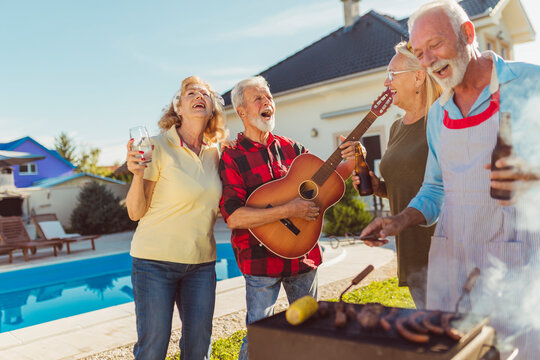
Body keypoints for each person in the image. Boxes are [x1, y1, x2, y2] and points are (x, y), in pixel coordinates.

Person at [360, 1, 540, 357]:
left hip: (513, 257)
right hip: (452, 260)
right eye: (419, 52)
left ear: (467, 34)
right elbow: (436, 187)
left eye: (436, 45)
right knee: (452, 351)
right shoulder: (439, 114)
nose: (428, 61)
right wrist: (401, 219)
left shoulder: (530, 83)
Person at [219, 76, 357, 360]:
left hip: (303, 254)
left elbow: (328, 182)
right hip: (259, 258)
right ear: (242, 111)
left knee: (310, 332)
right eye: (258, 98)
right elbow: (234, 217)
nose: (266, 102)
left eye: (269, 97)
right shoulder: (232, 156)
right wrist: (288, 211)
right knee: (261, 334)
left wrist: (354, 159)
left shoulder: (293, 148)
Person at [126, 76, 227, 360]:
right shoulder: (156, 146)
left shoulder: (215, 153)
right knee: (153, 347)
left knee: (198, 346)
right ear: (178, 108)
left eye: (205, 94)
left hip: (201, 265)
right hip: (154, 263)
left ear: (211, 108)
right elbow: (135, 212)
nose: (199, 96)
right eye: (190, 93)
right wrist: (136, 175)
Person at [353, 41, 442, 309]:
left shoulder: (441, 119)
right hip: (410, 246)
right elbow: (402, 183)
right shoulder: (395, 127)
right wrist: (378, 185)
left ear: (418, 76)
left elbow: (444, 184)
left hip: (443, 248)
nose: (385, 82)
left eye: (392, 75)